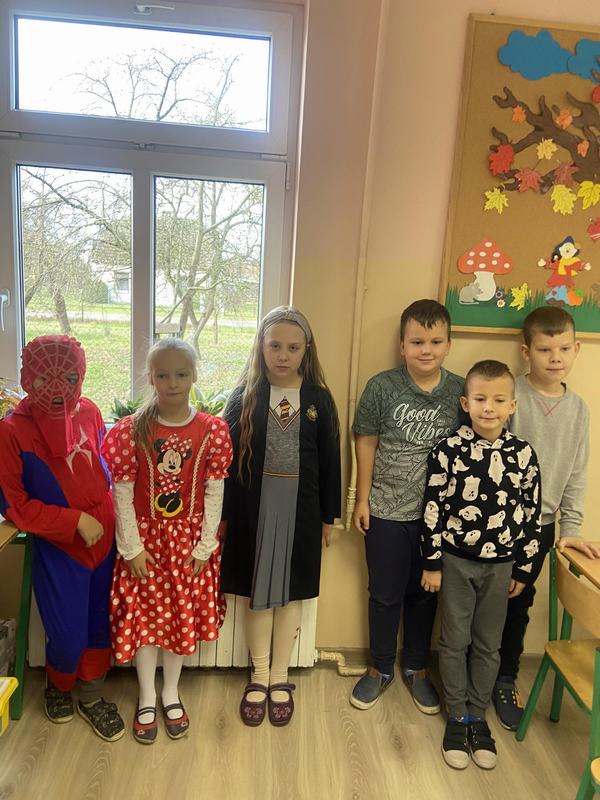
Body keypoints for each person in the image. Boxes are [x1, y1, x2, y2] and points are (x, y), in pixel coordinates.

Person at [102, 338, 232, 744]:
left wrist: (205, 546)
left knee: (178, 618)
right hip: (145, 543)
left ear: (194, 376)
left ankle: (170, 691)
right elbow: (122, 493)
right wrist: (131, 548)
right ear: (151, 377)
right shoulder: (132, 430)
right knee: (144, 620)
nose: (172, 382)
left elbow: (214, 492)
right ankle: (146, 694)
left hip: (189, 546)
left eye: (181, 374)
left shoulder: (211, 430)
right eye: (163, 375)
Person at [0, 335, 124, 741]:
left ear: (81, 376)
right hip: (60, 548)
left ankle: (91, 695)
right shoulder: (11, 431)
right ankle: (59, 686)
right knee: (68, 634)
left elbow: (104, 469)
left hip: (105, 541)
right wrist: (73, 521)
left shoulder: (89, 411)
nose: (57, 390)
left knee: (100, 624)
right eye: (44, 380)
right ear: (28, 378)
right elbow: (14, 506)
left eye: (69, 378)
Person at [221, 306, 341, 727]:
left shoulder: (319, 400)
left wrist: (329, 516)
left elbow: (330, 460)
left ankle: (279, 676)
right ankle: (258, 674)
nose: (283, 355)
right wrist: (223, 516)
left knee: (290, 594)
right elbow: (224, 464)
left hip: (301, 512)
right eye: (275, 346)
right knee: (258, 592)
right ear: (261, 346)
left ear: (306, 349)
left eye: (293, 347)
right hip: (252, 512)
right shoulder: (243, 397)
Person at [421, 360, 542, 771]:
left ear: (512, 405)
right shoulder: (448, 450)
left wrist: (523, 569)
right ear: (465, 403)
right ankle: (457, 716)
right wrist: (432, 563)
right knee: (454, 641)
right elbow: (433, 509)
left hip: (502, 566)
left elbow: (531, 514)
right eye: (480, 399)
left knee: (488, 644)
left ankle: (478, 716)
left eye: (498, 400)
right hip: (456, 562)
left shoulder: (523, 455)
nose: (488, 408)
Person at [350, 299, 463, 713]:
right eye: (417, 342)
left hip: (441, 519)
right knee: (384, 594)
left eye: (435, 341)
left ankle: (416, 667)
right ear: (402, 345)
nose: (426, 350)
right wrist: (361, 499)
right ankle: (380, 666)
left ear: (448, 344)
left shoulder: (461, 391)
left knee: (425, 594)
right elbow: (366, 442)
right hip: (385, 509)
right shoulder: (381, 387)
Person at [494, 306, 600, 731]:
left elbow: (576, 473)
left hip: (540, 525)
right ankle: (468, 672)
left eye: (563, 349)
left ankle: (505, 678)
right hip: (494, 520)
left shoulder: (579, 411)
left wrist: (570, 529)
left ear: (576, 349)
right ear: (526, 351)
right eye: (544, 349)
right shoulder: (509, 396)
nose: (555, 358)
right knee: (481, 599)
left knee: (518, 601)